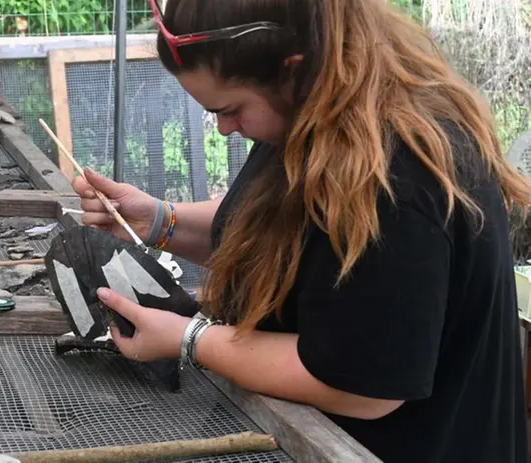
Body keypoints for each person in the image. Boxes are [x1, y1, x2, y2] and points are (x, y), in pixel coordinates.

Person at [70, 0, 531, 461]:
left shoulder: (399, 175)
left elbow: (361, 385)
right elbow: (283, 240)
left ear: (292, 70)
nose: (224, 128)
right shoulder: (312, 114)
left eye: (230, 109)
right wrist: (159, 220)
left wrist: (190, 339)